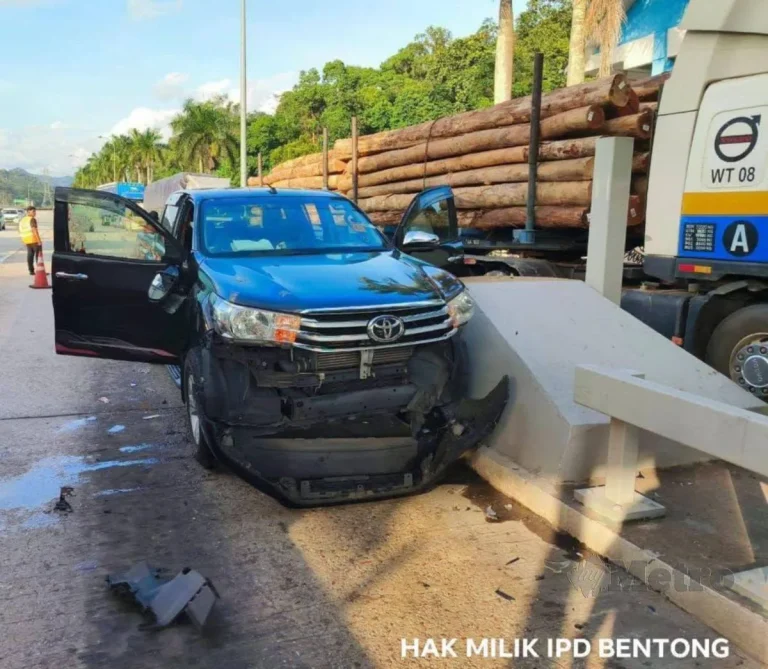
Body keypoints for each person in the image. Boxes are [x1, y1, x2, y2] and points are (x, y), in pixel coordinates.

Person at [18, 206, 42, 275]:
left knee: (30, 255)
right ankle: (40, 271)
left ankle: (31, 271)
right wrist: (39, 241)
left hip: (26, 240)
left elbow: (20, 230)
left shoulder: (23, 220)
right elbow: (34, 230)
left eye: (35, 211)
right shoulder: (32, 219)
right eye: (33, 211)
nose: (35, 213)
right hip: (34, 240)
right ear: (28, 212)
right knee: (39, 256)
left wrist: (23, 240)